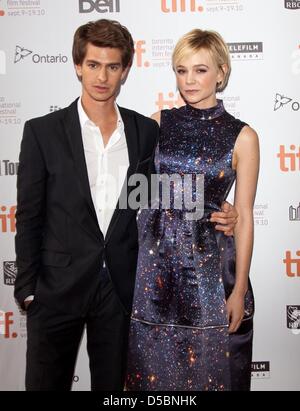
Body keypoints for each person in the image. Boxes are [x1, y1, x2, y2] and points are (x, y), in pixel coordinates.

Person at [14, 19, 238, 391]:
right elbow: (29, 214)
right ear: (76, 66)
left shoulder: (145, 131)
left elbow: (169, 190)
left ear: (125, 71)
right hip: (56, 289)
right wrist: (28, 289)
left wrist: (221, 207)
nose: (102, 76)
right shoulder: (42, 131)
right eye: (93, 64)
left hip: (122, 290)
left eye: (113, 66)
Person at [126, 29, 259, 391]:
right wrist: (195, 196)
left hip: (209, 273)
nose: (189, 80)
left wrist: (239, 288)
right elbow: (133, 194)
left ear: (221, 72)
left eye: (200, 70)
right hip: (154, 273)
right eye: (181, 70)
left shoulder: (243, 136)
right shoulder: (157, 122)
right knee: (151, 376)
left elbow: (244, 216)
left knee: (208, 374)